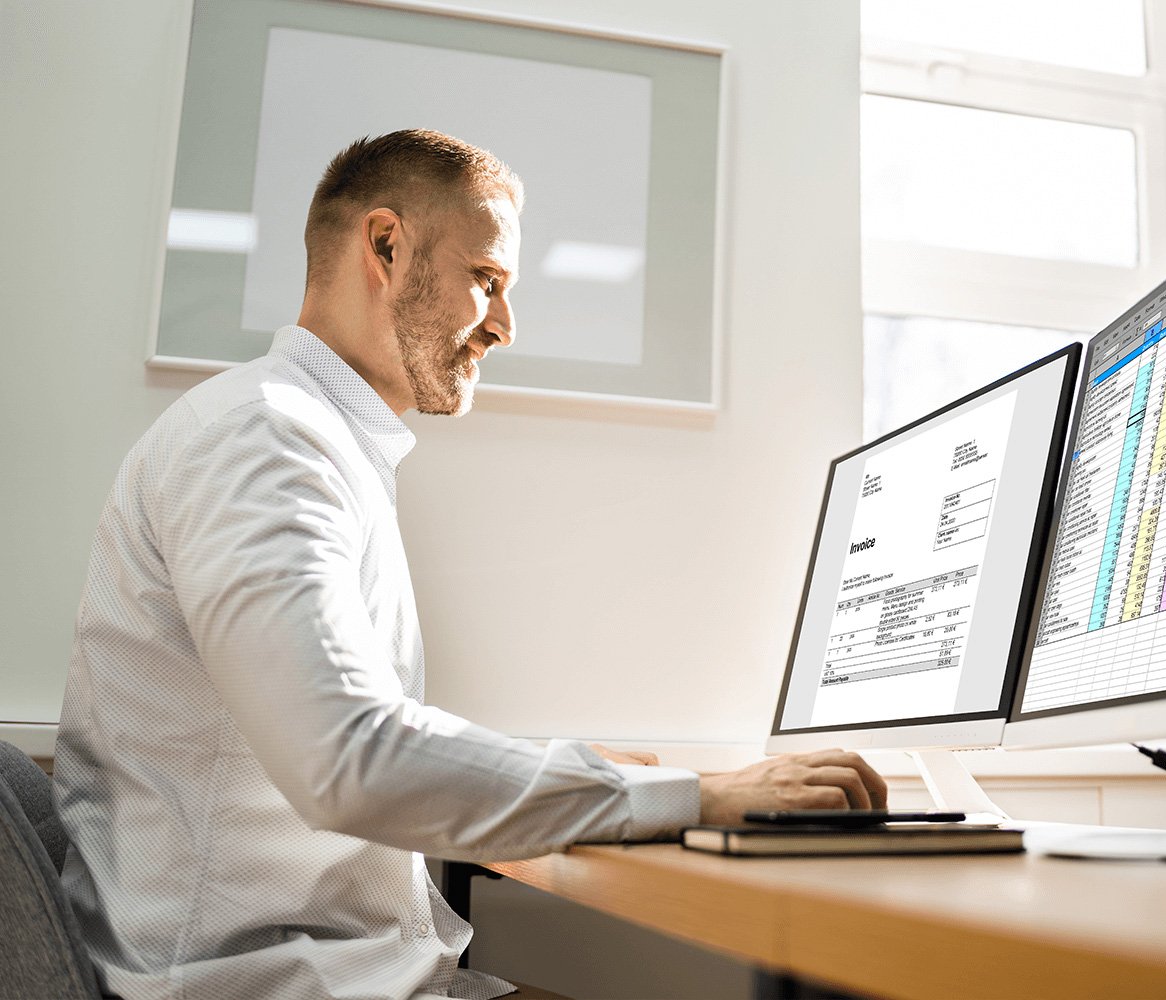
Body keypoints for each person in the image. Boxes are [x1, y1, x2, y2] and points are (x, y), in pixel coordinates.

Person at [52, 129, 886, 1000]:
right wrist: (697, 794)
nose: (505, 324)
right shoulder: (263, 438)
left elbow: (347, 737)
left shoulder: (303, 439)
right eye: (486, 279)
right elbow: (351, 757)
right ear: (384, 244)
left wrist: (587, 773)